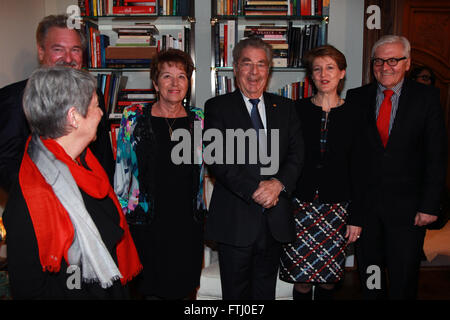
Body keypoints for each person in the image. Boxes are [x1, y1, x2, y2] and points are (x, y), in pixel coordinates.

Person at [2, 67, 142, 299]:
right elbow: (31, 289)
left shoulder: (87, 166)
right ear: (74, 117)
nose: (100, 114)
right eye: (96, 105)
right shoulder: (33, 195)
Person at [346, 35, 447, 300]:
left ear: (407, 63)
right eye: (378, 61)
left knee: (403, 278)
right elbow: (352, 157)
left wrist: (429, 205)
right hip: (367, 210)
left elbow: (435, 155)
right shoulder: (357, 98)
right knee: (371, 276)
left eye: (393, 60)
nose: (384, 66)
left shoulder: (426, 98)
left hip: (409, 211)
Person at [204, 37, 304, 300]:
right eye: (247, 63)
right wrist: (257, 190)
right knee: (235, 296)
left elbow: (296, 154)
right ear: (236, 68)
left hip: (274, 221)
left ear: (268, 70)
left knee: (265, 292)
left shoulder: (285, 108)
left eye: (261, 64)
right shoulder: (217, 107)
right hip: (235, 220)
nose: (254, 72)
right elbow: (217, 160)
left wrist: (278, 184)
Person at [114, 48, 206, 300]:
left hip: (187, 225)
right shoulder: (133, 117)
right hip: (145, 225)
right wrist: (120, 220)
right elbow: (121, 172)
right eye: (167, 76)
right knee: (148, 291)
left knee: (185, 291)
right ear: (155, 83)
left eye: (182, 76)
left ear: (188, 82)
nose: (175, 84)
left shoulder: (199, 120)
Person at [279, 45, 365, 300]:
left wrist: (357, 216)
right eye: (317, 69)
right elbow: (284, 158)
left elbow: (362, 169)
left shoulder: (357, 113)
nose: (323, 74)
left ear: (342, 73)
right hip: (298, 207)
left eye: (330, 68)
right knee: (301, 280)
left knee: (328, 281)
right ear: (311, 76)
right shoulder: (295, 110)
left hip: (338, 209)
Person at [0, 14, 115, 193]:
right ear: (41, 51)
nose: (68, 59)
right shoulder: (14, 99)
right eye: (58, 49)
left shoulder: (94, 94)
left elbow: (103, 155)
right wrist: (51, 194)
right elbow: (6, 165)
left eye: (75, 50)